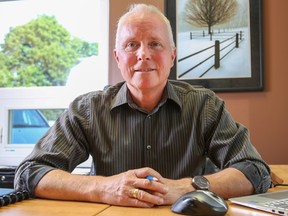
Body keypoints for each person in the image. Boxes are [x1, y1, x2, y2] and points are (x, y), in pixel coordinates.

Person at [14, 3, 271, 208]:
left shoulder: (205, 106)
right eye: (131, 45)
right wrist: (103, 188)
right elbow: (30, 172)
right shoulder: (87, 110)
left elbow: (254, 170)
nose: (143, 54)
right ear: (118, 57)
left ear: (172, 56)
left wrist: (183, 188)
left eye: (154, 44)